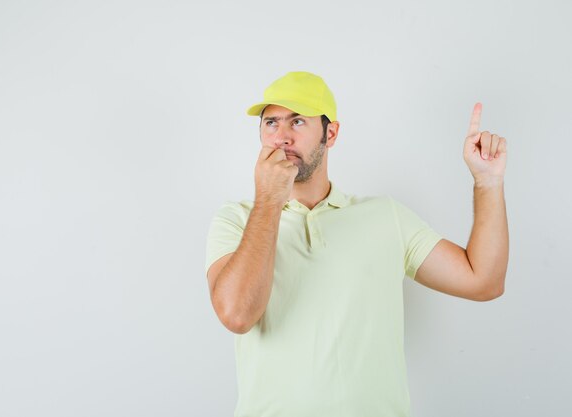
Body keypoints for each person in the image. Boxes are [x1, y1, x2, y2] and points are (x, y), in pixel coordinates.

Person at [204, 71, 509, 417]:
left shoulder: (386, 217)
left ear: (330, 133)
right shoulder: (237, 219)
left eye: (298, 121)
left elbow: (484, 281)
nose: (282, 137)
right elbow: (237, 315)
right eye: (271, 123)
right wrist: (269, 202)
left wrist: (487, 183)